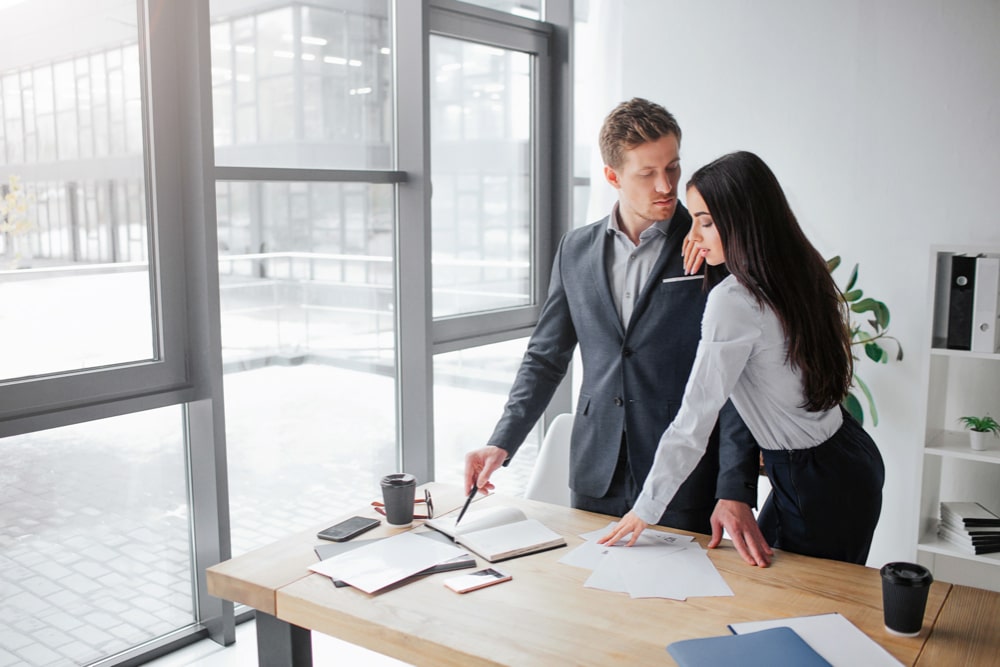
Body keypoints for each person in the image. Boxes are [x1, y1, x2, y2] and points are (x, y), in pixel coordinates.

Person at [464, 98, 773, 567]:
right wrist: (502, 440)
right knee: (591, 603)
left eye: (672, 167)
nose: (666, 186)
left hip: (682, 475)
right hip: (595, 469)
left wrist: (735, 486)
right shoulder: (576, 249)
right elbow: (546, 356)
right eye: (647, 173)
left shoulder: (710, 244)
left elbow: (734, 383)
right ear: (612, 176)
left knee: (680, 608)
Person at [599, 150, 885, 565]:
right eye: (694, 220)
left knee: (804, 610)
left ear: (745, 222)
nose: (694, 237)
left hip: (813, 480)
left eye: (707, 223)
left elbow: (695, 418)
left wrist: (645, 510)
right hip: (847, 455)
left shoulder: (733, 301)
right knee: (788, 599)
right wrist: (711, 250)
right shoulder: (796, 271)